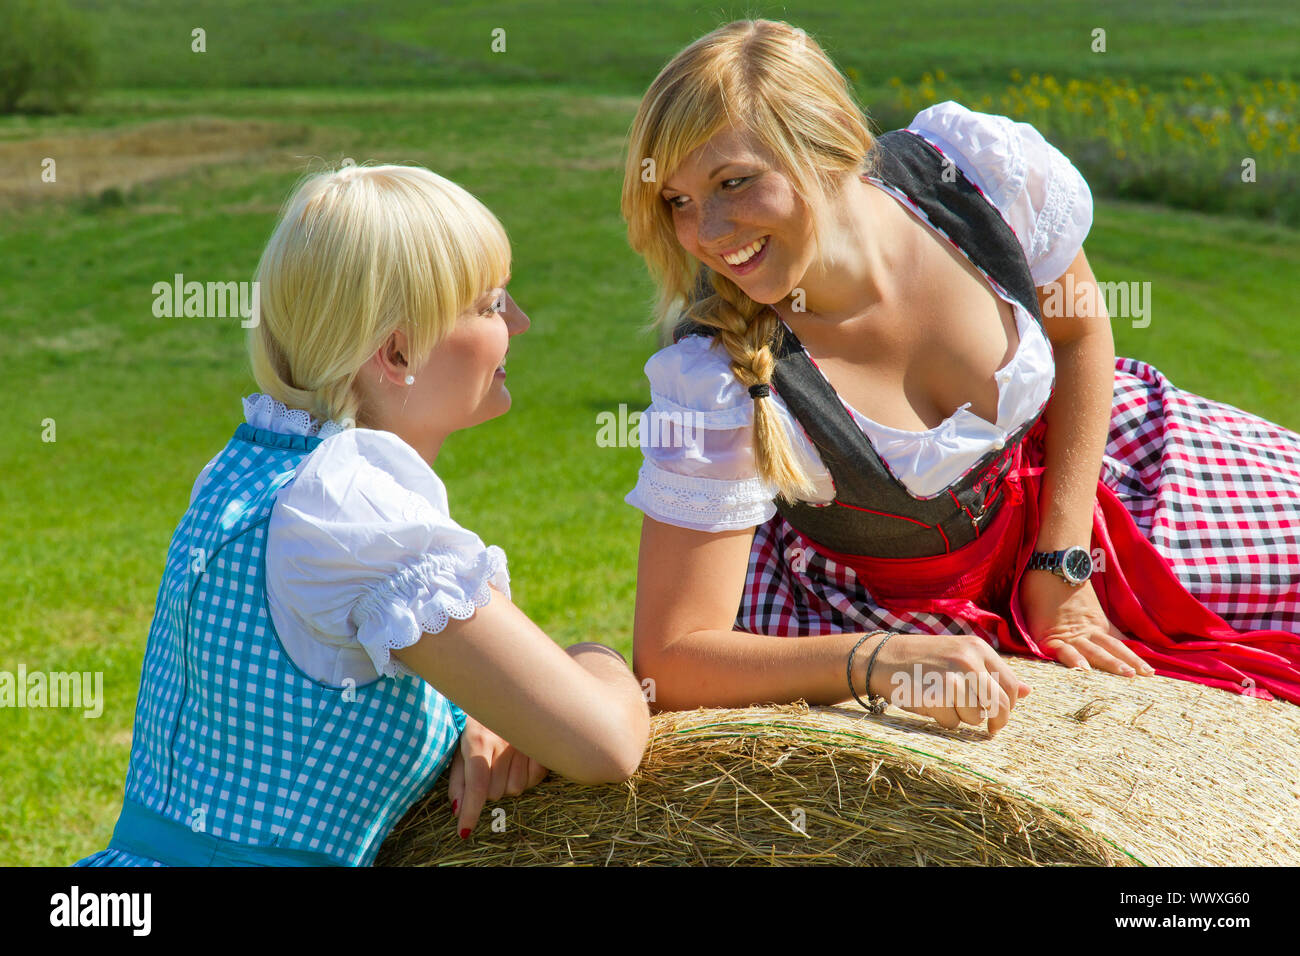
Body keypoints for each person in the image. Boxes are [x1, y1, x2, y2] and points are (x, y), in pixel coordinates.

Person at [620, 19, 1300, 733]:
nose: (710, 231)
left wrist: (1065, 560)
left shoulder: (975, 175)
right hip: (883, 605)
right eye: (679, 201)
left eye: (734, 182)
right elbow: (671, 660)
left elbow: (1077, 331)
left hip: (1094, 479)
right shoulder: (713, 377)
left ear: (824, 146)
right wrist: (882, 662)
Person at [74, 164, 649, 867]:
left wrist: (484, 713)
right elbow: (607, 745)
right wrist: (599, 659)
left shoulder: (254, 468)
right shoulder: (351, 512)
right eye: (491, 304)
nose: (520, 323)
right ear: (398, 351)